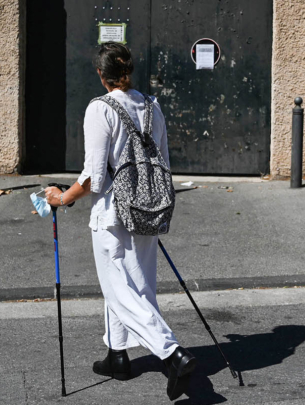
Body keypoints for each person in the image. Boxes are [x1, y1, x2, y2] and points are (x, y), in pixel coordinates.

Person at [44, 42, 196, 401]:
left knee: (118, 289)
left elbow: (95, 176)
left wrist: (62, 198)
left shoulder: (101, 109)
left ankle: (172, 354)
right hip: (146, 208)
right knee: (138, 285)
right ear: (129, 71)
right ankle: (117, 354)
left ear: (101, 74)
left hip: (112, 213)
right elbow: (163, 162)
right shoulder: (152, 106)